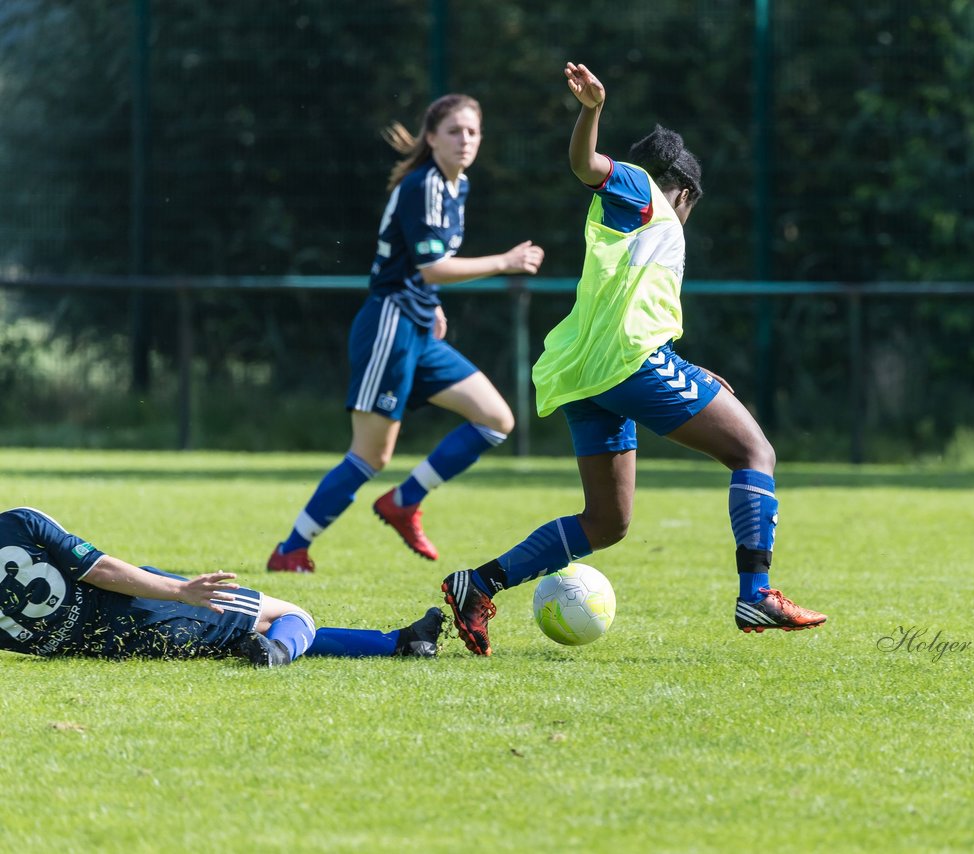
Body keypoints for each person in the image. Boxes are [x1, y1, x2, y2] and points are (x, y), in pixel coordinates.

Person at [439, 62, 828, 656]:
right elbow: (585, 167)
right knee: (756, 452)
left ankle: (478, 585)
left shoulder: (630, 219)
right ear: (687, 192)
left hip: (590, 375)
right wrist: (592, 110)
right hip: (627, 367)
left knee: (607, 521)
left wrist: (686, 367)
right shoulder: (647, 192)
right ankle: (758, 591)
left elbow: (631, 308)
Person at [267, 94, 545, 573]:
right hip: (389, 326)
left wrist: (431, 305)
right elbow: (432, 267)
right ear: (431, 137)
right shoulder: (424, 185)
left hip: (418, 325)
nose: (465, 140)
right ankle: (290, 550)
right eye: (455, 131)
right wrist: (505, 262)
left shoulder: (457, 187)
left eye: (473, 132)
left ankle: (404, 501)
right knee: (371, 455)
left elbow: (426, 270)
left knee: (496, 419)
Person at [2, 506, 444, 666]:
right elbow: (101, 571)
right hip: (145, 611)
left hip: (109, 645)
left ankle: (404, 643)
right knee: (292, 617)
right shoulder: (20, 522)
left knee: (251, 632)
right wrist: (178, 591)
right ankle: (280, 655)